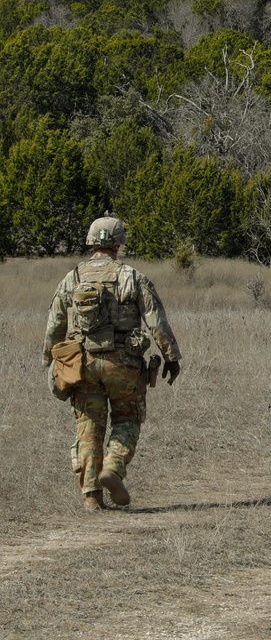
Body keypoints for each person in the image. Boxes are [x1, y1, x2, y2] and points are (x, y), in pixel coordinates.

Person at [43, 215, 182, 510]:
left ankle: (92, 495)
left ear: (92, 241)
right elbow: (157, 322)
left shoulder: (73, 278)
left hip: (83, 365)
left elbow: (54, 324)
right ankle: (113, 468)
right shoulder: (132, 276)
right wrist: (171, 357)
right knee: (126, 418)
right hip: (124, 364)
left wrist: (50, 361)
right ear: (119, 243)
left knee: (88, 425)